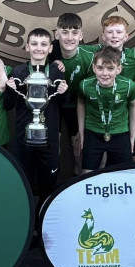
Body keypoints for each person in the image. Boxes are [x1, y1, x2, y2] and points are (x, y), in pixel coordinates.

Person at [4, 28, 68, 208]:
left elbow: (62, 104)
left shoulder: (56, 71)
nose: (38, 48)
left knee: (48, 184)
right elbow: (8, 105)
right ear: (27, 47)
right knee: (23, 183)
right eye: (34, 44)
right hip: (22, 138)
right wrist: (10, 90)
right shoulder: (18, 72)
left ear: (50, 48)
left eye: (43, 44)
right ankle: (26, 223)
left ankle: (42, 225)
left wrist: (64, 93)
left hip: (49, 139)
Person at [77, 46, 135, 174]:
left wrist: (132, 136)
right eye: (100, 68)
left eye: (110, 68)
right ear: (93, 68)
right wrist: (82, 132)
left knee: (124, 175)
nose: (105, 74)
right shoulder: (84, 85)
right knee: (86, 174)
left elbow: (133, 105)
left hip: (120, 133)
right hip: (93, 133)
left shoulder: (128, 86)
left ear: (119, 69)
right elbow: (81, 103)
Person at [51, 13, 95, 175]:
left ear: (81, 35)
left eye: (75, 33)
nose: (70, 37)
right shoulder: (47, 53)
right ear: (56, 34)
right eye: (65, 32)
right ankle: (51, 187)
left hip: (77, 106)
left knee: (79, 149)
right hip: (53, 105)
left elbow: (116, 48)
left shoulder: (89, 56)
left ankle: (78, 183)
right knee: (52, 147)